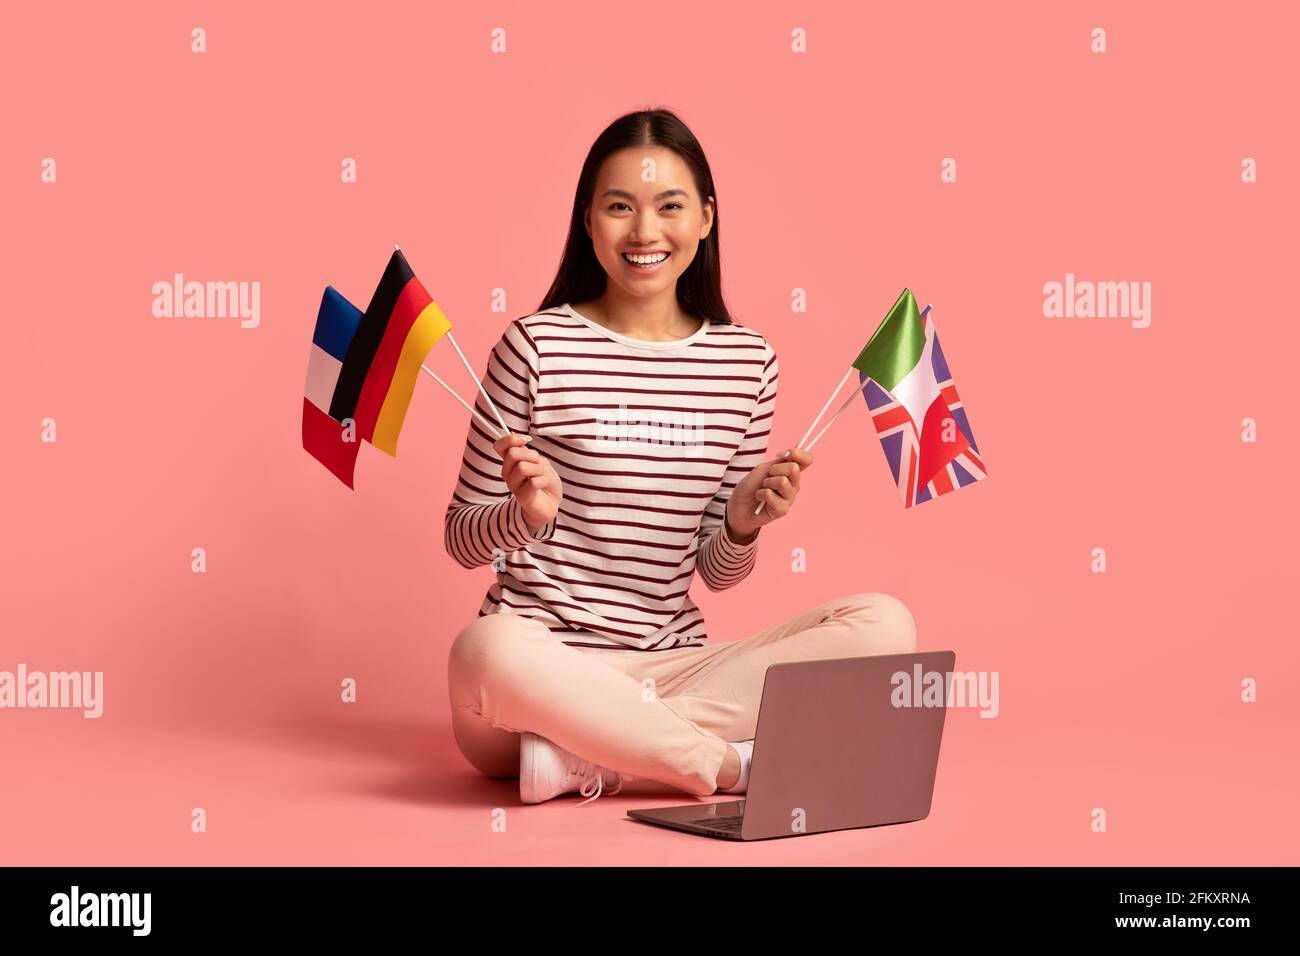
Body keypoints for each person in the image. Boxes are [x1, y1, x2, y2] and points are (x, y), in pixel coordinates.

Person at [443, 108, 917, 807]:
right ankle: (727, 767)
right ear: (587, 220)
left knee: (886, 627)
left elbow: (716, 573)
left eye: (670, 206)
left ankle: (594, 752)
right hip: (542, 675)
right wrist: (522, 515)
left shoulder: (746, 361)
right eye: (619, 208)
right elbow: (458, 536)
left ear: (705, 218)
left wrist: (741, 523)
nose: (644, 233)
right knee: (482, 651)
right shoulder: (535, 347)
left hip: (679, 668)